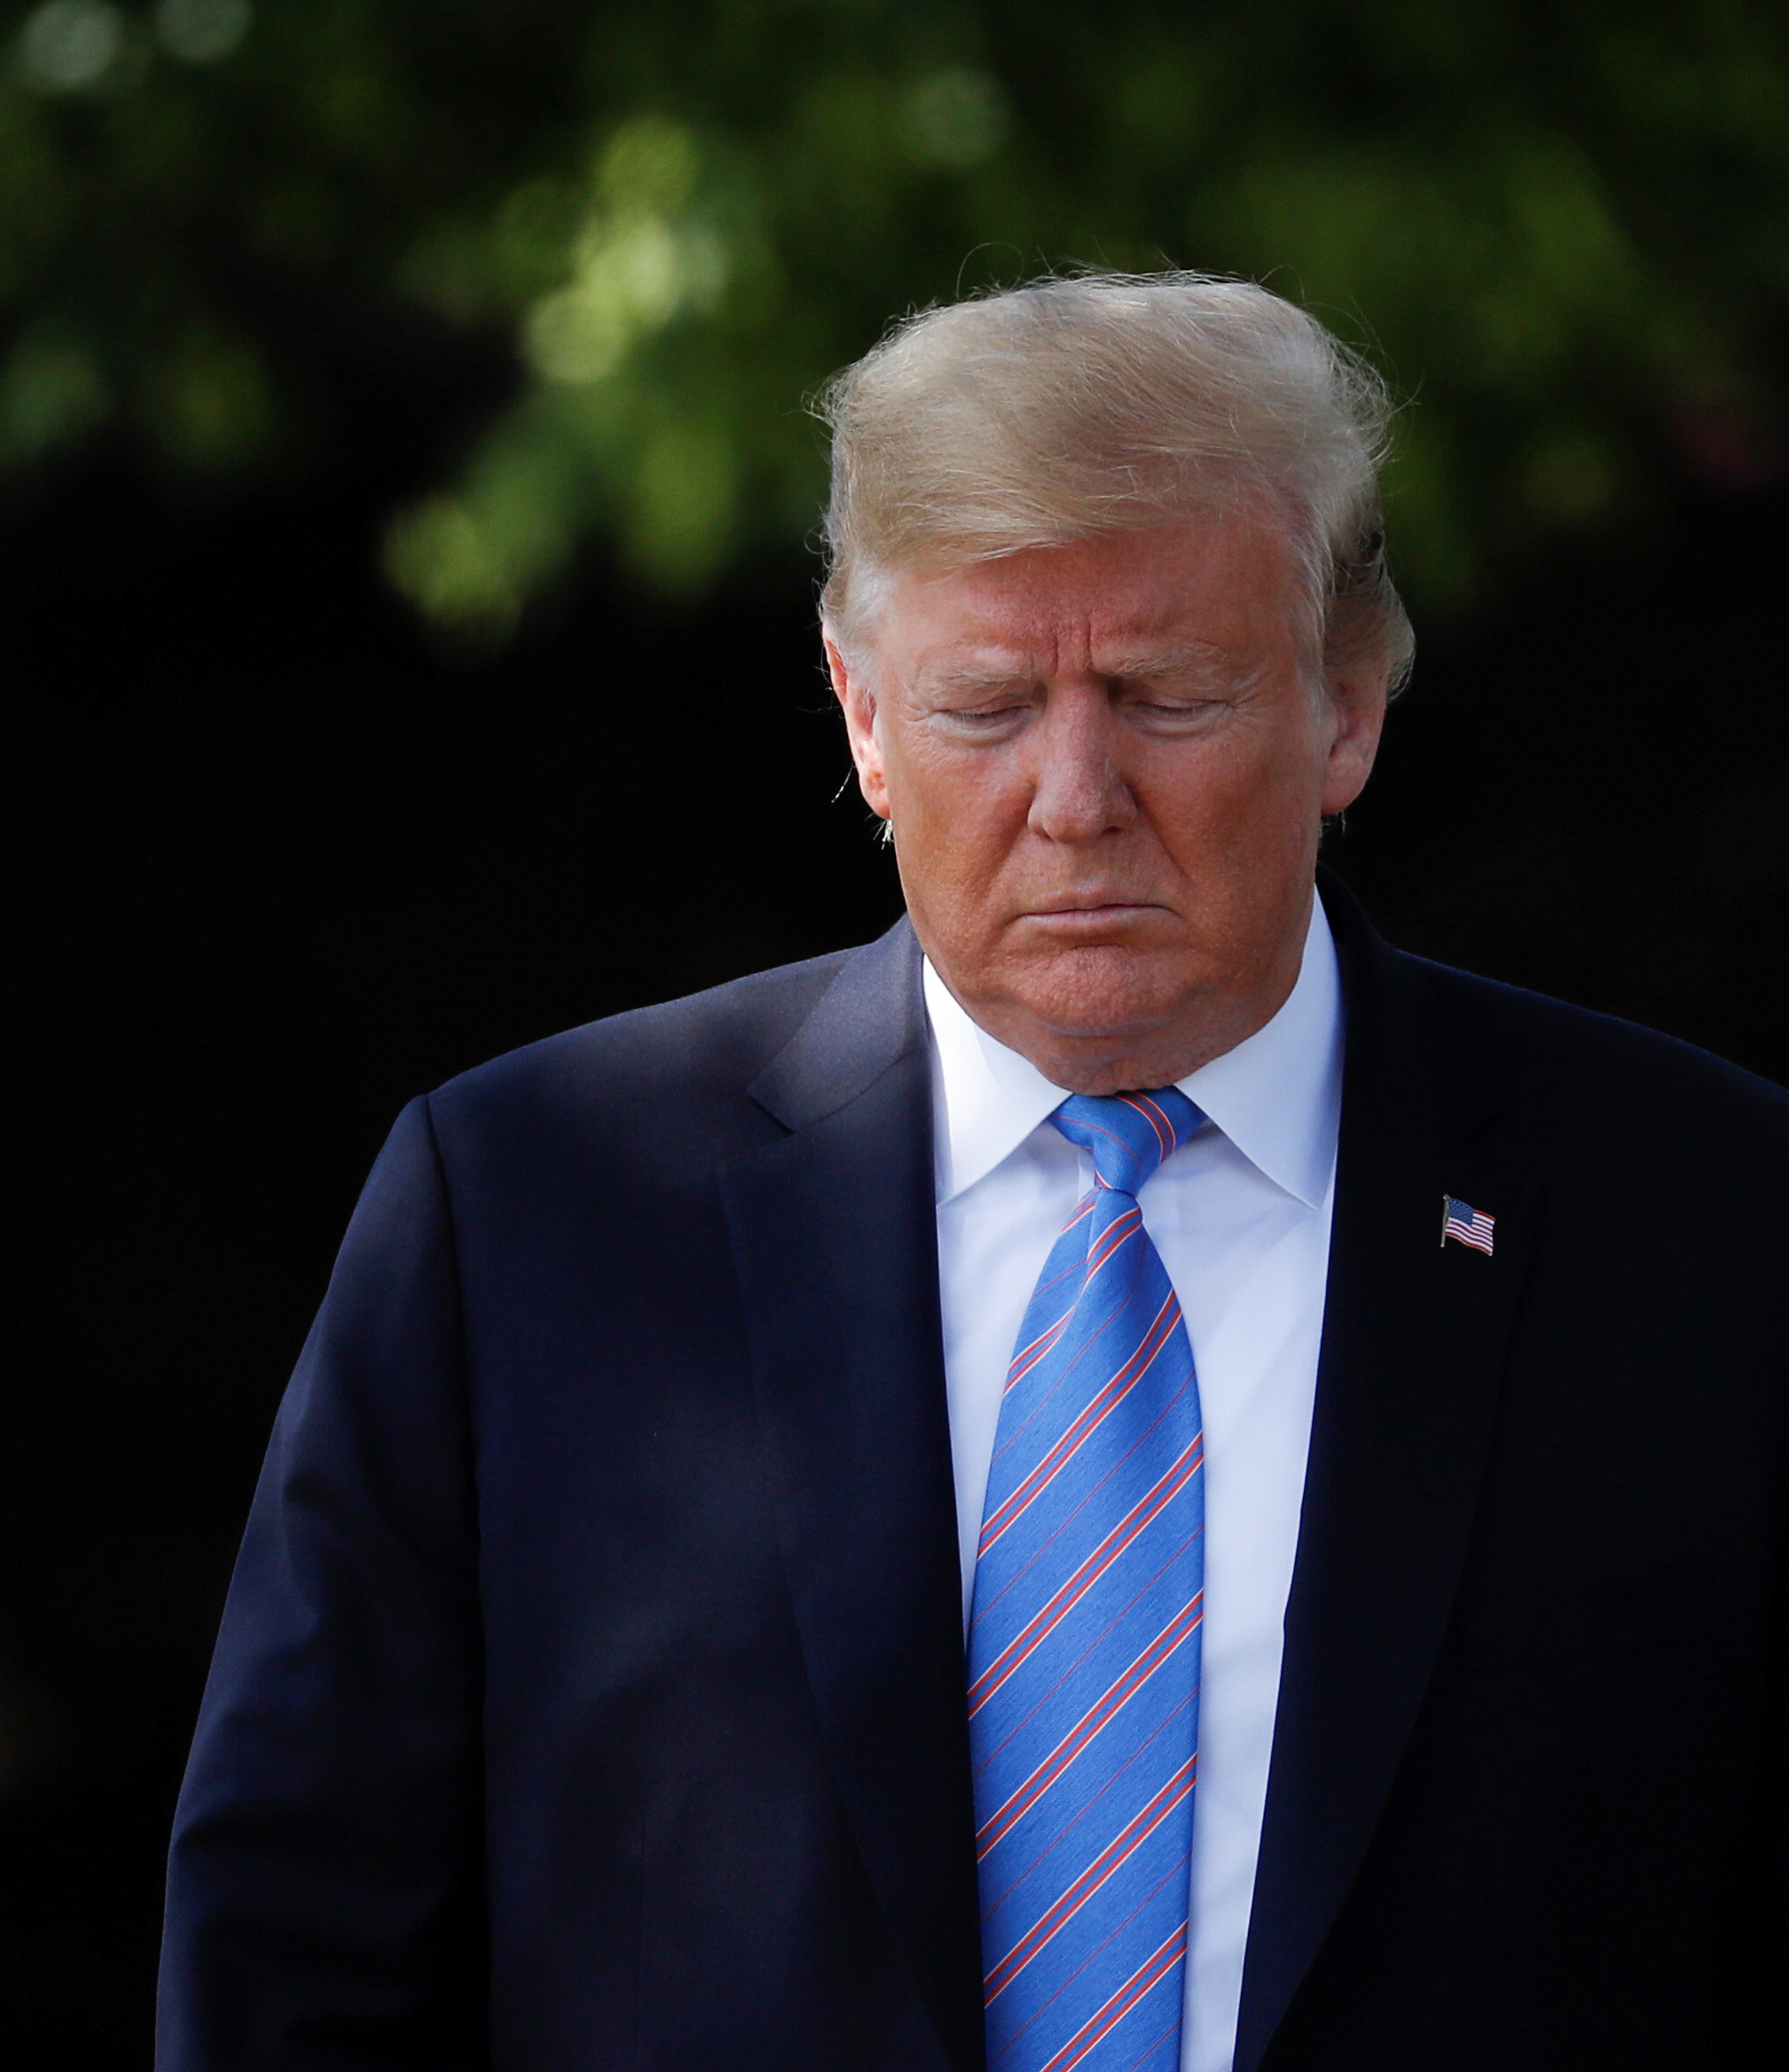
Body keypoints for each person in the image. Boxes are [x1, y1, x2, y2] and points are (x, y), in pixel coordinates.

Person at [154, 271, 1789, 2072]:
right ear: (862, 717)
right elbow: (294, 1957)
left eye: (1165, 693)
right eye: (987, 704)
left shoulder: (1705, 1219)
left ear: (1346, 706)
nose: (1074, 794)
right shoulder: (532, 1210)